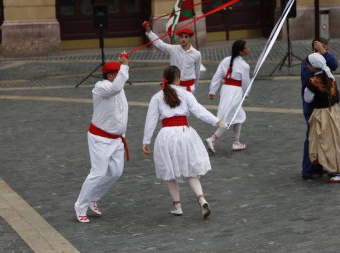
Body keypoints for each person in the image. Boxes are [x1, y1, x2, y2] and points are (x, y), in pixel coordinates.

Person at [142, 65, 226, 219]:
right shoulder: (186, 94)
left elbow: (151, 120)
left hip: (166, 136)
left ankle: (177, 206)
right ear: (178, 78)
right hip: (185, 133)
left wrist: (146, 141)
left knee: (170, 171)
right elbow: (200, 111)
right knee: (190, 168)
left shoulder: (157, 97)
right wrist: (217, 121)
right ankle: (201, 199)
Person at [74, 53, 130, 223]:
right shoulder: (101, 86)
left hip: (117, 139)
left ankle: (93, 198)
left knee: (115, 172)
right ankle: (80, 206)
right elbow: (116, 88)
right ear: (110, 75)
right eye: (118, 73)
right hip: (100, 138)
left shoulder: (117, 86)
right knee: (98, 173)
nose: (121, 76)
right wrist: (125, 65)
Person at [303, 52, 340, 183]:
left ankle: (337, 172)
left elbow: (307, 98)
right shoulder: (331, 77)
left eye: (308, 64)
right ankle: (335, 168)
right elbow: (337, 97)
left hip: (322, 115)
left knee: (325, 142)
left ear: (313, 66)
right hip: (334, 112)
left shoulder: (313, 82)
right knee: (337, 141)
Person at [300, 38, 338, 180]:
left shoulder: (323, 65)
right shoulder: (308, 64)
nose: (326, 52)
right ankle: (308, 169)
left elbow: (335, 65)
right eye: (324, 49)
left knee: (324, 137)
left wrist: (324, 54)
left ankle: (319, 165)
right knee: (312, 137)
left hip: (324, 108)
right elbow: (308, 94)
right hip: (313, 108)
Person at [205, 40, 250, 153]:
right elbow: (245, 82)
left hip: (225, 90)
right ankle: (212, 139)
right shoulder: (244, 65)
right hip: (235, 92)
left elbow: (217, 75)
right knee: (230, 117)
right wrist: (246, 94)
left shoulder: (225, 60)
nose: (248, 49)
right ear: (240, 51)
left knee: (238, 116)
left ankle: (236, 142)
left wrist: (212, 91)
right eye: (246, 48)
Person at [142, 21, 201, 92]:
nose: (183, 39)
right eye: (181, 37)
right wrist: (149, 31)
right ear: (179, 38)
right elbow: (160, 44)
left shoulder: (196, 54)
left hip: (189, 88)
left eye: (186, 37)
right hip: (175, 87)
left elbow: (197, 72)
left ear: (189, 38)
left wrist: (195, 86)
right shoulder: (173, 49)